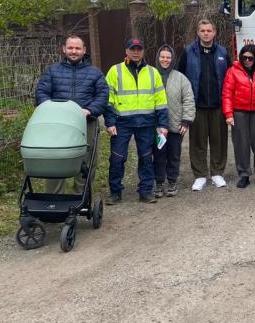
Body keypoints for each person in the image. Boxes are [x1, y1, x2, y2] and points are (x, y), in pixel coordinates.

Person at [35, 34, 109, 194]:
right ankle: (54, 201)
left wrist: (89, 110)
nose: (73, 51)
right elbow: (41, 93)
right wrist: (52, 110)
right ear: (64, 49)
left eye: (77, 48)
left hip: (86, 122)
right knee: (55, 161)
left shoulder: (94, 73)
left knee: (86, 162)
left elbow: (103, 96)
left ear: (84, 50)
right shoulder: (52, 71)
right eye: (70, 48)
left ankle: (80, 200)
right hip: (58, 125)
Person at [104, 38, 168, 204]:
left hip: (146, 122)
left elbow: (161, 100)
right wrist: (109, 122)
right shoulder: (114, 71)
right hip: (121, 122)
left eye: (139, 49)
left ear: (143, 51)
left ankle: (145, 191)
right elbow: (107, 99)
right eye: (132, 49)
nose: (135, 52)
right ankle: (115, 192)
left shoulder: (153, 73)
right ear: (126, 51)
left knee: (146, 157)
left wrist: (162, 124)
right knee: (117, 158)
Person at [177, 19, 231, 191]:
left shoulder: (222, 52)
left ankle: (217, 173)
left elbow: (229, 78)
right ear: (198, 33)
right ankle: (200, 175)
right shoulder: (189, 52)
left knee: (219, 141)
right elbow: (180, 76)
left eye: (209, 30)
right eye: (203, 30)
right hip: (197, 105)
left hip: (218, 105)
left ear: (214, 33)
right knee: (197, 142)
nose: (206, 33)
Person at [221, 44, 255, 188]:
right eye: (244, 57)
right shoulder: (232, 72)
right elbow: (227, 94)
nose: (247, 60)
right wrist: (228, 114)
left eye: (250, 58)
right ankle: (244, 174)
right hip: (239, 112)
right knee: (241, 144)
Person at [153, 44, 195, 198]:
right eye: (162, 57)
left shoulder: (180, 78)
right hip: (157, 126)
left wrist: (186, 120)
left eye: (168, 57)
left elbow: (189, 99)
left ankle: (172, 181)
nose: (165, 60)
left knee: (174, 155)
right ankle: (158, 183)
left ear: (173, 59)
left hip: (176, 125)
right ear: (158, 58)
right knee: (158, 155)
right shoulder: (151, 75)